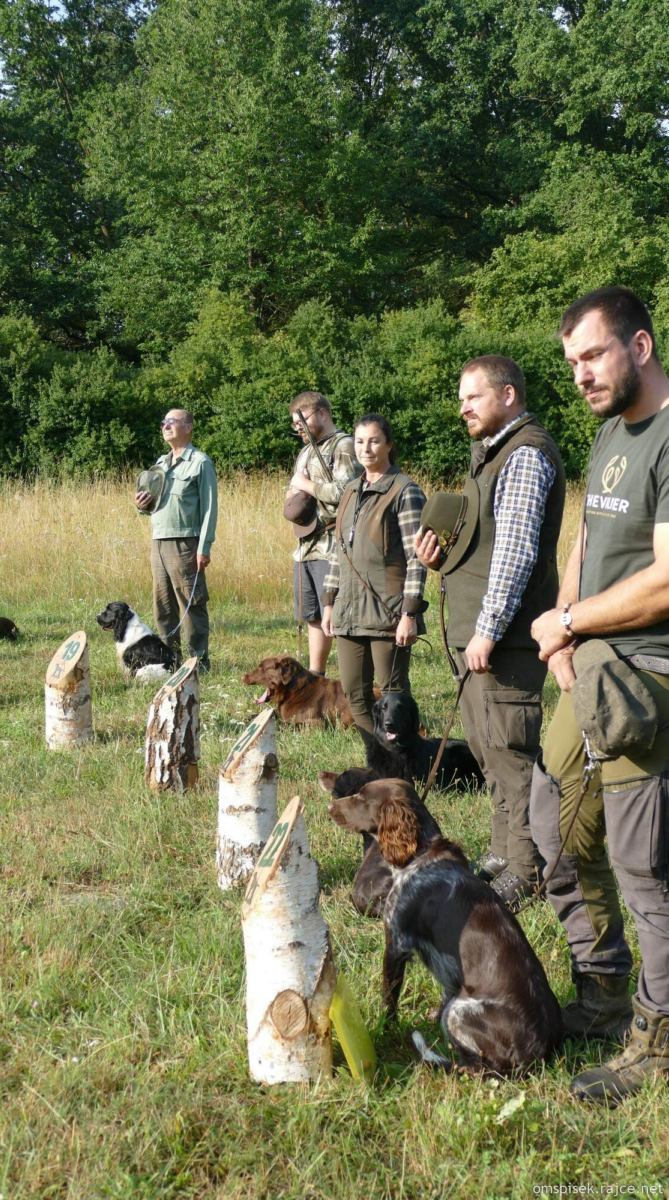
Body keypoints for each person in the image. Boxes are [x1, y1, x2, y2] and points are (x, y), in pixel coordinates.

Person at [530, 287, 669, 1104]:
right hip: (587, 666)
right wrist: (564, 632)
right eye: (572, 362)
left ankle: (655, 1038)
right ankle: (605, 986)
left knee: (642, 868)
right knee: (552, 824)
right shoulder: (611, 434)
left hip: (646, 679)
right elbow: (588, 535)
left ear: (641, 346)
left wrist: (571, 618)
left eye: (593, 356)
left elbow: (665, 581)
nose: (580, 375)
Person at [414, 356, 566, 911]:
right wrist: (439, 558)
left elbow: (517, 554)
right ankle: (505, 853)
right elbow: (483, 551)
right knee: (488, 750)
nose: (462, 407)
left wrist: (487, 630)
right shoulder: (490, 456)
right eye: (461, 398)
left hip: (504, 640)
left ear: (507, 394)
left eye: (472, 397)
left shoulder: (524, 455)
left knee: (511, 753)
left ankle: (526, 873)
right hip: (481, 638)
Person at [321, 414, 427, 751]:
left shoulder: (405, 491)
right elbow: (339, 552)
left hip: (389, 613)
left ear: (389, 445)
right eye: (360, 441)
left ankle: (411, 763)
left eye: (374, 441)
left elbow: (417, 557)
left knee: (394, 698)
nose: (366, 448)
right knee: (355, 695)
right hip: (348, 613)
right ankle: (382, 758)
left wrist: (409, 613)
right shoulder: (351, 490)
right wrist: (328, 603)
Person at [135, 408, 217, 672]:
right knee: (163, 607)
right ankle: (169, 662)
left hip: (185, 544)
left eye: (172, 421)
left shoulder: (200, 462)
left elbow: (209, 509)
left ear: (189, 427)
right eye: (164, 422)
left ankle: (197, 664)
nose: (166, 425)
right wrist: (140, 505)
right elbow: (150, 505)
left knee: (191, 605)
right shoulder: (159, 464)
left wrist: (203, 548)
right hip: (158, 542)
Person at [287, 392, 360, 674]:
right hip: (305, 546)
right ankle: (316, 677)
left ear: (321, 413)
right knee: (313, 616)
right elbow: (296, 489)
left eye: (302, 421)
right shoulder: (306, 451)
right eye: (295, 425)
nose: (299, 428)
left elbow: (346, 491)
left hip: (332, 545)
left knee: (337, 615)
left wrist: (306, 486)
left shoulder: (344, 445)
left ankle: (350, 684)